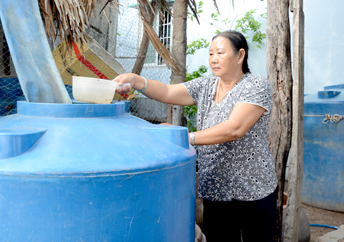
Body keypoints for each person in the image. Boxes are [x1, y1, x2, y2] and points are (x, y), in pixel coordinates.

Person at [114, 31, 278, 242]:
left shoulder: (255, 85)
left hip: (253, 190)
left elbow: (234, 128)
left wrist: (182, 136)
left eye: (220, 53)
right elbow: (166, 91)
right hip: (216, 189)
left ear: (240, 55)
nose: (214, 59)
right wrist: (136, 81)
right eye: (211, 54)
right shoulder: (206, 86)